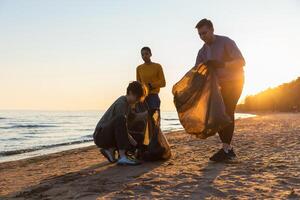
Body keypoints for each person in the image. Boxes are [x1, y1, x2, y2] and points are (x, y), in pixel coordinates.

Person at [194, 18, 245, 162]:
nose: (203, 37)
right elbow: (197, 71)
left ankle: (227, 149)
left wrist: (221, 64)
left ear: (212, 30)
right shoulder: (202, 52)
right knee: (217, 115)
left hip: (235, 81)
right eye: (200, 35)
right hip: (217, 86)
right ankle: (227, 149)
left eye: (205, 33)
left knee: (227, 111)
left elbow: (242, 62)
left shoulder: (226, 42)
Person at [93, 81, 147, 166]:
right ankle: (122, 156)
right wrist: (134, 143)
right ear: (130, 93)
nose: (137, 101)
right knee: (121, 119)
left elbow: (134, 117)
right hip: (100, 136)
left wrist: (147, 114)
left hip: (108, 134)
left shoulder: (128, 105)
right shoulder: (121, 103)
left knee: (138, 137)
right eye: (137, 98)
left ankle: (110, 150)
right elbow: (121, 127)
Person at [136, 47, 166, 119]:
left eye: (146, 54)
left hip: (153, 96)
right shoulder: (139, 68)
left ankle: (157, 130)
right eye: (142, 55)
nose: (144, 56)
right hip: (142, 97)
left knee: (155, 119)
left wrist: (151, 85)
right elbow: (138, 84)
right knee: (143, 119)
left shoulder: (157, 66)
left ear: (150, 54)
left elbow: (163, 82)